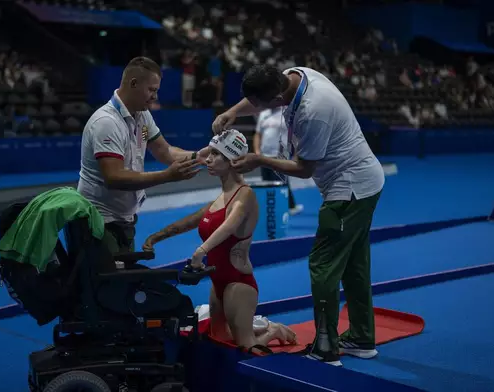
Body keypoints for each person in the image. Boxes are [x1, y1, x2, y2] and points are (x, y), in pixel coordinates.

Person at [212, 65, 385, 367]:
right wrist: (231, 113)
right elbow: (256, 99)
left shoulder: (312, 111)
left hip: (350, 189)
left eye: (262, 105)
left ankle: (325, 348)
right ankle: (361, 338)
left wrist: (258, 160)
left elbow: (305, 169)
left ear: (278, 97)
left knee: (323, 265)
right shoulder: (292, 74)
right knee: (354, 263)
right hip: (363, 183)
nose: (257, 109)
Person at [142, 129, 297, 351]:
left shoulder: (245, 195)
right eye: (210, 153)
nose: (208, 159)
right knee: (219, 336)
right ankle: (262, 328)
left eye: (216, 155)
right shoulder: (220, 199)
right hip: (218, 281)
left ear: (232, 161)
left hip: (238, 281)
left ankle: (274, 330)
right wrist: (156, 236)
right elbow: (188, 222)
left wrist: (200, 251)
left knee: (246, 346)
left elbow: (229, 226)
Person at [77, 56, 209, 256]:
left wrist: (198, 156)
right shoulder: (107, 123)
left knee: (121, 280)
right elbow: (114, 178)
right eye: (152, 90)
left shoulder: (142, 117)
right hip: (99, 222)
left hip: (124, 218)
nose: (155, 97)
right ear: (133, 84)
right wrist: (167, 176)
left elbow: (164, 151)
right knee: (107, 283)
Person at [254, 107, 304, 216]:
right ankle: (269, 207)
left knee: (282, 182)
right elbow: (258, 134)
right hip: (264, 155)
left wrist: (295, 153)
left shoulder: (287, 113)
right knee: (267, 182)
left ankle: (290, 206)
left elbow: (294, 135)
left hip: (280, 154)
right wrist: (257, 151)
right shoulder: (264, 114)